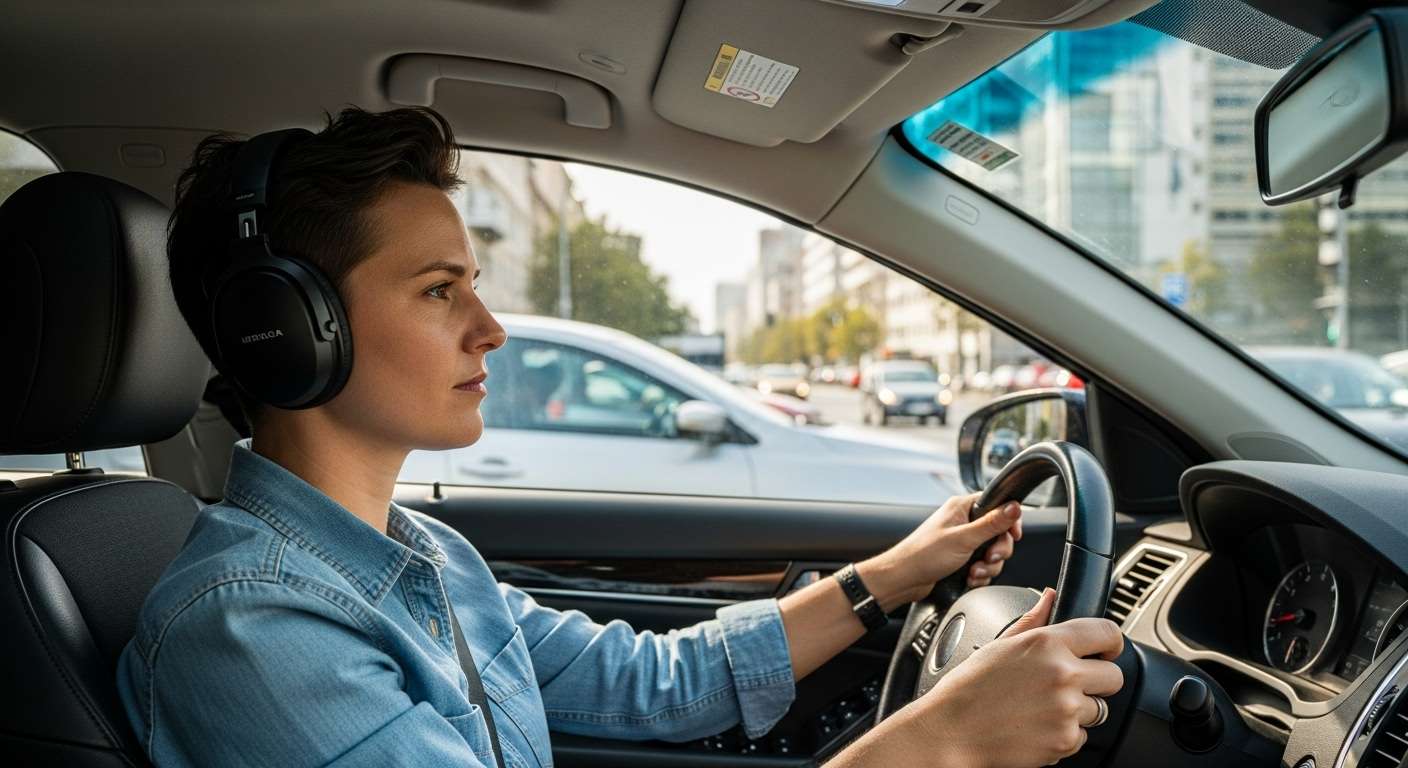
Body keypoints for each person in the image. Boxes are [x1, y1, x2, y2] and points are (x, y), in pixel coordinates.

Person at [115, 106, 1123, 768]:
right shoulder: (247, 630)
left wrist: (895, 575)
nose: (490, 327)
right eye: (438, 290)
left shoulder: (421, 557)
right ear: (289, 332)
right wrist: (941, 742)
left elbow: (658, 685)